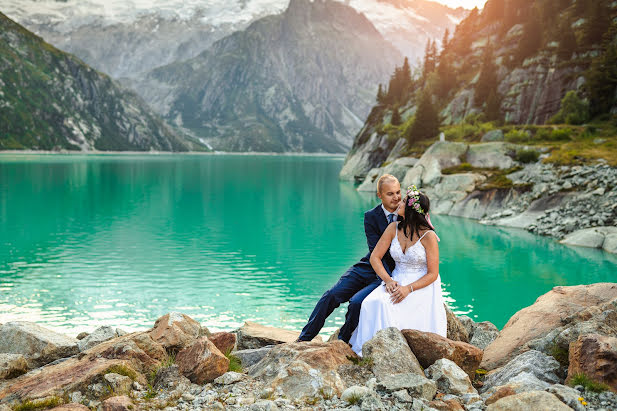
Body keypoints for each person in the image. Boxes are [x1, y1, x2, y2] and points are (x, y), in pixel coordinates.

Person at [297, 174, 402, 343]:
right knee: (331, 295)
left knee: (356, 303)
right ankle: (303, 339)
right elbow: (375, 251)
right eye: (390, 194)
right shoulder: (371, 216)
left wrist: (388, 279)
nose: (396, 197)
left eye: (398, 192)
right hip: (368, 266)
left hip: (392, 272)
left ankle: (342, 341)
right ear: (379, 195)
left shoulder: (408, 215)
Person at [349, 185, 447, 355]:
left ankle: (391, 353)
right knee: (370, 302)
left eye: (403, 202)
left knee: (387, 306)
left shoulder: (428, 236)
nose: (398, 203)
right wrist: (388, 280)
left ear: (410, 210)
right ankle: (369, 350)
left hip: (420, 285)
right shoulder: (393, 228)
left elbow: (433, 274)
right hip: (396, 279)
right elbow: (375, 257)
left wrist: (408, 289)